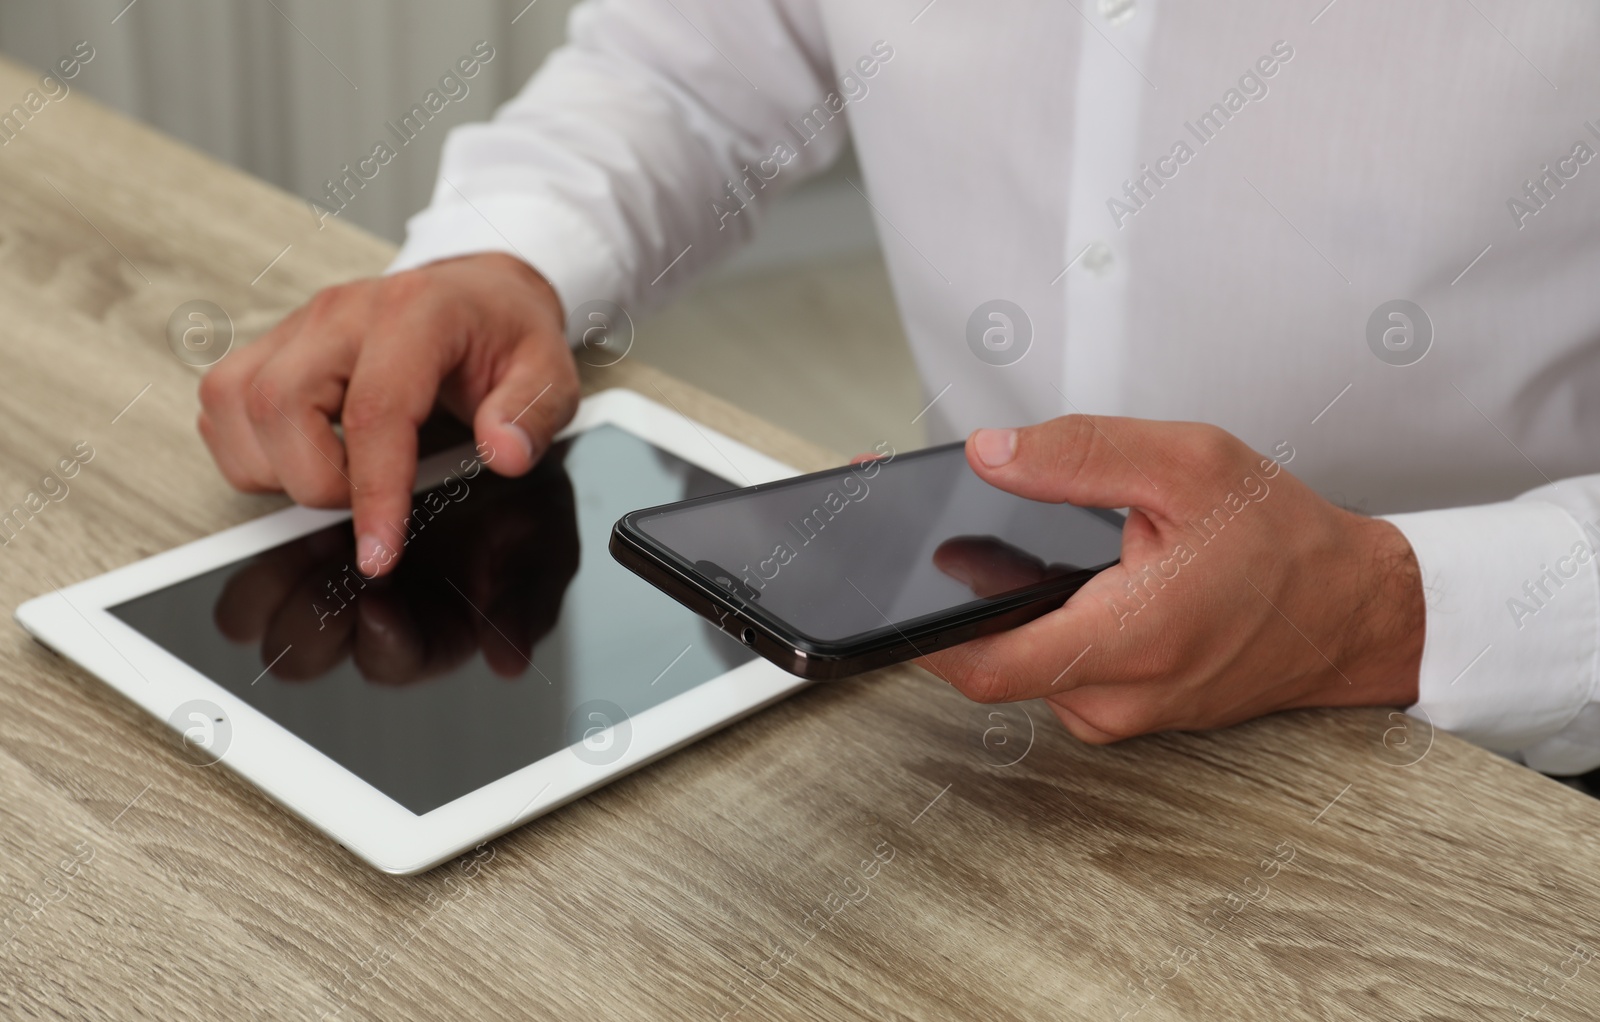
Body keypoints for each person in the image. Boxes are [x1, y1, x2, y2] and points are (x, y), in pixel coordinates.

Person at [195, 1, 1600, 771]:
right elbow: (695, 68)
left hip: (1501, 779)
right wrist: (515, 255)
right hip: (982, 734)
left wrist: (1386, 608)